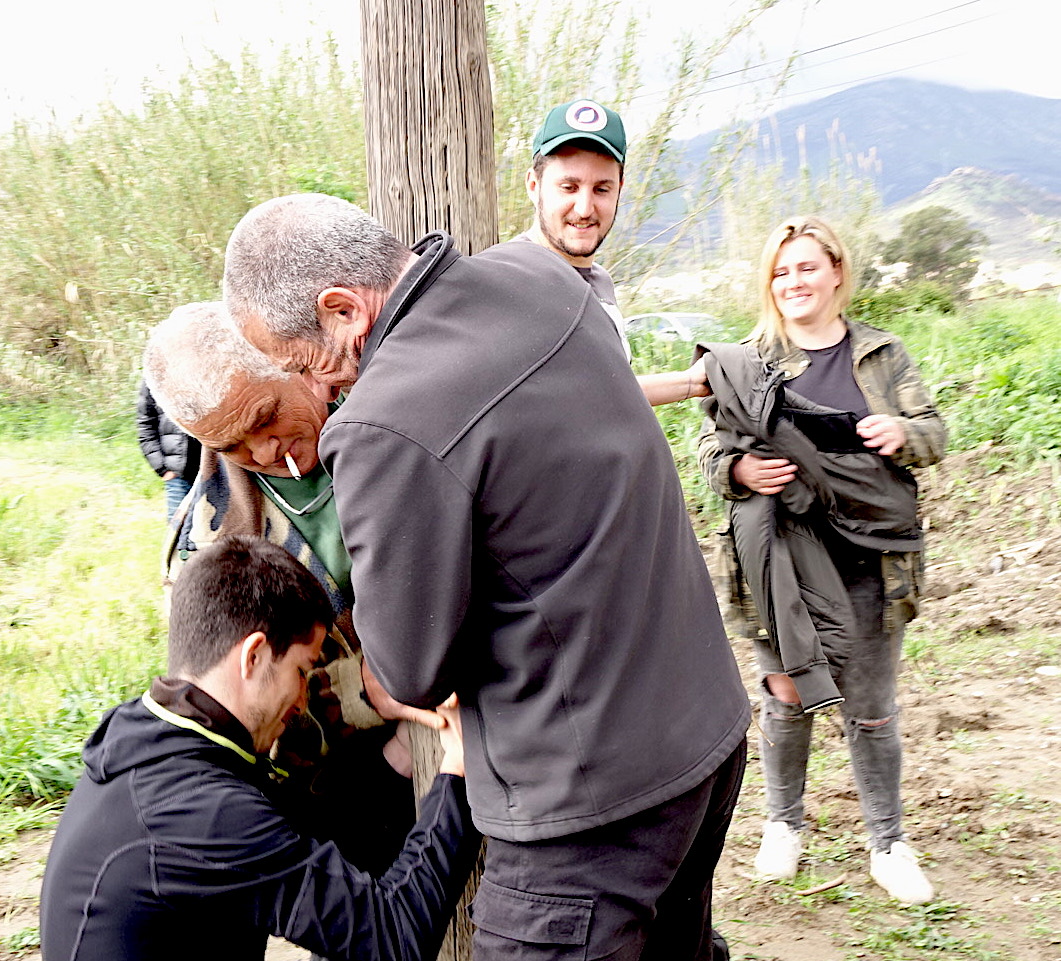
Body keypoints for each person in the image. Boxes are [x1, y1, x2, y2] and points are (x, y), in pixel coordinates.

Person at [225, 193, 750, 960]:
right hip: (701, 734)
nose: (320, 387)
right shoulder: (540, 277)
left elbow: (409, 668)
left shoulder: (382, 424)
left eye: (305, 363)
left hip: (583, 804)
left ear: (341, 309)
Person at [39, 535, 480, 961]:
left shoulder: (159, 743)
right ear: (253, 656)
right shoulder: (198, 810)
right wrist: (457, 775)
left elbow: (308, 835)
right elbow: (393, 938)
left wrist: (400, 755)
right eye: (303, 671)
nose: (304, 698)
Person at [697, 216, 945, 904]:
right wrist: (741, 472)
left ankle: (888, 842)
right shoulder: (748, 361)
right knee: (786, 694)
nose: (793, 281)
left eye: (806, 267)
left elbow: (935, 433)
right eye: (781, 271)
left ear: (836, 272)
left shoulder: (881, 355)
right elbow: (712, 454)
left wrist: (901, 431)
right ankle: (782, 825)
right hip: (781, 560)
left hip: (873, 559)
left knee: (869, 706)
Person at [144, 302, 425, 872]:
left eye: (267, 415)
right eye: (235, 445)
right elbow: (232, 712)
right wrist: (365, 691)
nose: (267, 451)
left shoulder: (396, 413)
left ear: (290, 359)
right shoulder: (210, 542)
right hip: (345, 801)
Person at [524, 97, 710, 406]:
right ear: (534, 185)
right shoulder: (510, 282)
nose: (584, 209)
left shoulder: (599, 282)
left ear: (620, 189)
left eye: (601, 189)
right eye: (569, 187)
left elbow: (604, 394)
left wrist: (697, 381)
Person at [136, 375, 201, 521]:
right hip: (178, 477)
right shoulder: (154, 375)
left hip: (217, 473)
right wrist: (163, 468)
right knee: (177, 534)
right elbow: (146, 423)